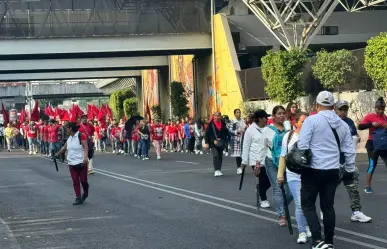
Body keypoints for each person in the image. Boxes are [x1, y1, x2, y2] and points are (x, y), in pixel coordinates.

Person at [298, 91, 356, 249]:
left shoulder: (311, 120)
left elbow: (302, 145)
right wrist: (349, 170)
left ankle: (317, 240)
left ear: (316, 105)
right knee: (328, 206)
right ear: (333, 105)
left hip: (313, 169)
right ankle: (329, 241)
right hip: (333, 170)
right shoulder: (343, 124)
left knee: (308, 204)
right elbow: (349, 150)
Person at [334, 100, 371, 223]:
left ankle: (356, 212)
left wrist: (357, 138)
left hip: (349, 160)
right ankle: (325, 210)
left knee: (353, 187)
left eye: (345, 110)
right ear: (335, 110)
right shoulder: (332, 122)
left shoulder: (349, 122)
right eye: (341, 110)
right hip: (334, 161)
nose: (343, 112)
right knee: (330, 188)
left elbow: (354, 135)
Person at [277, 111, 311, 244]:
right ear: (295, 122)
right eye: (303, 121)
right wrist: (280, 175)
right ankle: (302, 231)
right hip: (293, 175)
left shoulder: (311, 136)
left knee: (308, 203)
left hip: (308, 175)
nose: (305, 124)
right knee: (299, 203)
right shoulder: (289, 136)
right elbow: (283, 156)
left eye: (307, 121)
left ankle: (307, 225)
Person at [257, 106, 293, 226]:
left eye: (283, 113)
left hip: (287, 162)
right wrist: (258, 163)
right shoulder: (268, 130)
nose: (282, 115)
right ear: (273, 116)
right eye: (279, 113)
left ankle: (282, 206)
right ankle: (282, 215)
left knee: (290, 191)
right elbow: (262, 148)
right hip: (271, 162)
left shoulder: (290, 128)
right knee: (277, 188)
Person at [241, 110, 271, 208]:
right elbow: (246, 146)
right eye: (265, 117)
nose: (267, 119)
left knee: (270, 179)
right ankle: (263, 199)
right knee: (262, 178)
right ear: (260, 119)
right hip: (255, 159)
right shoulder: (250, 130)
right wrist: (244, 161)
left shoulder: (268, 129)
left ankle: (260, 189)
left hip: (267, 157)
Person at [55, 122, 89, 205]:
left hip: (81, 162)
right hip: (71, 163)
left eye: (66, 128)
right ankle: (78, 197)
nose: (65, 130)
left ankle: (85, 192)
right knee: (75, 181)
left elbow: (86, 147)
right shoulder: (69, 138)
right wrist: (57, 155)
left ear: (71, 128)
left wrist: (85, 158)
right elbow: (64, 148)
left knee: (83, 181)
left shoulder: (81, 135)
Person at [358, 97, 387, 194]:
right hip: (372, 145)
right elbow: (360, 126)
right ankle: (367, 186)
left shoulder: (385, 117)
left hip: (384, 145)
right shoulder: (369, 117)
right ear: (375, 108)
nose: (380, 111)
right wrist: (371, 124)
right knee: (372, 165)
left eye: (382, 109)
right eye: (378, 109)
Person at [205, 112, 228, 177]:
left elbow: (225, 132)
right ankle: (216, 170)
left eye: (218, 116)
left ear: (220, 116)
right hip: (213, 143)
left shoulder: (223, 123)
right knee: (215, 155)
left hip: (221, 142)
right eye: (215, 116)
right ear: (214, 116)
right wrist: (207, 143)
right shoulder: (211, 124)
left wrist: (224, 139)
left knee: (220, 155)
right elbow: (207, 134)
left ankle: (219, 170)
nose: (217, 117)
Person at [228, 109, 246, 175]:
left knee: (243, 153)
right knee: (238, 154)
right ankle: (238, 168)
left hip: (243, 138)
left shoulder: (242, 121)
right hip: (236, 139)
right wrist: (237, 131)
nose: (239, 113)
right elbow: (230, 130)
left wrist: (244, 129)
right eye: (237, 112)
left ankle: (242, 166)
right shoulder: (233, 122)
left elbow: (244, 127)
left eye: (240, 112)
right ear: (235, 114)